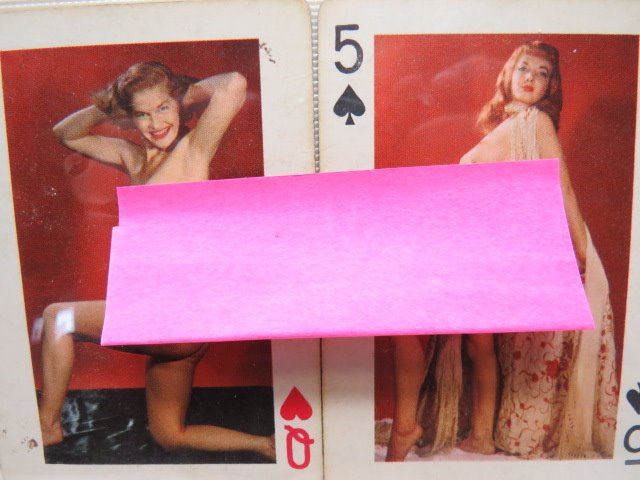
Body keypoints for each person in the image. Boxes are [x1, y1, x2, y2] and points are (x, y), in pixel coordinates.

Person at [386, 41, 618, 461]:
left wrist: (582, 255)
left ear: (550, 87)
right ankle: (479, 435)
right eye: (524, 68)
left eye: (542, 73)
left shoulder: (535, 121)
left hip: (480, 251)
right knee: (478, 345)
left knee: (411, 320)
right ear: (508, 75)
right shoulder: (510, 125)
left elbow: (561, 186)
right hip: (477, 248)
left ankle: (409, 428)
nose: (531, 79)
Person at [37, 61, 275, 460]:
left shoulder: (193, 150)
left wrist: (180, 95)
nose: (156, 123)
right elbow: (66, 133)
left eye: (163, 109)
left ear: (178, 105)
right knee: (169, 435)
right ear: (130, 117)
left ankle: (47, 427)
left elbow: (234, 84)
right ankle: (268, 445)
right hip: (174, 323)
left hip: (180, 317)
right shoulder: (132, 158)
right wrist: (111, 103)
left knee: (56, 317)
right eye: (143, 114)